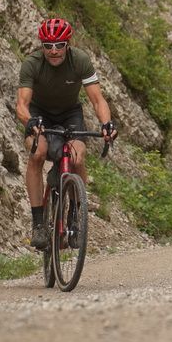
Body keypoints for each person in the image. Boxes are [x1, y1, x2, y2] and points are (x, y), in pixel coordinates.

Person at [16, 18, 117, 249]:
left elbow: (97, 99)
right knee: (38, 153)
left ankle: (75, 215)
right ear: (42, 46)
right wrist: (29, 120)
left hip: (70, 114)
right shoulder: (32, 63)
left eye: (59, 45)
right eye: (48, 45)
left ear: (67, 44)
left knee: (77, 157)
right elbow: (22, 103)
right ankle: (39, 224)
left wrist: (107, 124)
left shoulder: (80, 60)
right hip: (39, 113)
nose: (53, 51)